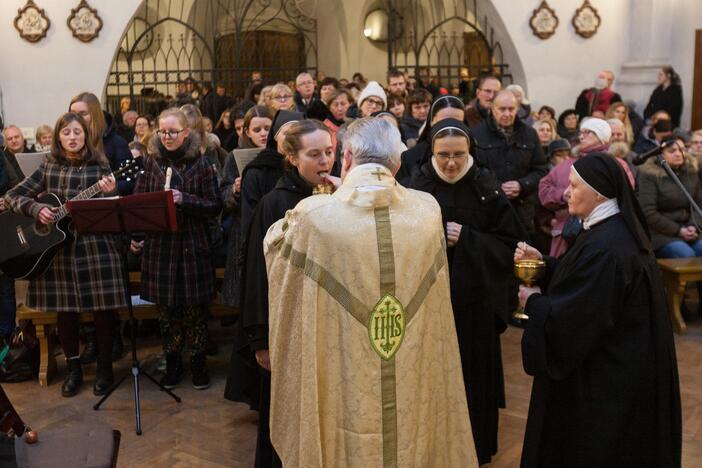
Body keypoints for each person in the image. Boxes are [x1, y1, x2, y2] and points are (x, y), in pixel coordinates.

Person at [264, 117, 478, 467]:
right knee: (407, 424)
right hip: (410, 355)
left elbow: (274, 242)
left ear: (346, 157)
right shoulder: (427, 211)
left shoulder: (314, 217)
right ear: (396, 162)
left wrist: (331, 199)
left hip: (342, 364)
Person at [515, 152, 681, 468]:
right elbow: (580, 279)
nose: (566, 192)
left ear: (598, 193)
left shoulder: (608, 247)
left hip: (605, 386)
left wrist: (533, 302)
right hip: (616, 370)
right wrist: (545, 265)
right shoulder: (607, 231)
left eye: (574, 187)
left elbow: (575, 321)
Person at [410, 118, 527, 464]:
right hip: (426, 304)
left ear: (470, 152)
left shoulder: (487, 187)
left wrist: (469, 239)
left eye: (458, 155)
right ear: (431, 151)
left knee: (472, 382)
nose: (451, 163)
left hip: (474, 307)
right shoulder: (416, 187)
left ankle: (474, 448)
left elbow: (512, 245)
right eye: (443, 154)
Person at [4, 112, 126, 397]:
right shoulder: (49, 166)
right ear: (59, 137)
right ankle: (74, 369)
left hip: (96, 248)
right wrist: (36, 209)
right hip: (57, 251)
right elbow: (13, 196)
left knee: (103, 312)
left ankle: (105, 367)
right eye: (66, 133)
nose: (72, 138)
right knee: (66, 313)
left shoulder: (100, 166)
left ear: (87, 136)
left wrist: (112, 190)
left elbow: (113, 208)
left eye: (77, 133)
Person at [239, 120, 333, 468]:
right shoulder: (274, 203)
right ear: (292, 158)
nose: (325, 161)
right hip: (286, 327)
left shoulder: (339, 196)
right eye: (314, 154)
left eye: (329, 152)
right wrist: (260, 339)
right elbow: (257, 275)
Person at [135, 108, 222, 390]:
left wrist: (184, 198)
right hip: (161, 247)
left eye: (173, 132)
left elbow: (214, 205)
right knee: (167, 312)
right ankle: (172, 364)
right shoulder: (152, 163)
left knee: (194, 313)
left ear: (186, 133)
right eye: (163, 132)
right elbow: (139, 200)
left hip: (191, 246)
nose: (168, 137)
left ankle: (198, 365)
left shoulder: (203, 163)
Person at [472, 90, 548, 234]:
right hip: (489, 212)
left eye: (511, 109)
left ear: (517, 109)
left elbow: (541, 170)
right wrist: (496, 187)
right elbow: (473, 171)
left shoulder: (529, 134)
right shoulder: (476, 134)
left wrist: (522, 185)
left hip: (522, 213)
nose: (507, 114)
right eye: (502, 109)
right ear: (492, 108)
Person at [638, 136, 702, 259]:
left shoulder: (691, 171)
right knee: (686, 255)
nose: (678, 154)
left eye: (682, 150)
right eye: (672, 151)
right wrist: (679, 231)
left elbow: (699, 204)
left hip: (690, 230)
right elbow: (648, 212)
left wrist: (693, 226)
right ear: (660, 154)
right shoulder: (649, 174)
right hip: (660, 234)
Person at [69, 92, 133, 195]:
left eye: (83, 113)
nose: (76, 118)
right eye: (73, 114)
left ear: (95, 115)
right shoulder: (67, 143)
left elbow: (130, 182)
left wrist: (114, 188)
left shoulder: (116, 143)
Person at [396, 95, 465, 186]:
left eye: (457, 122)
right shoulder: (409, 158)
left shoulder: (478, 157)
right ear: (431, 121)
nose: (449, 127)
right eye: (442, 122)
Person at [322, 88, 353, 154]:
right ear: (329, 108)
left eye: (343, 104)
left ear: (350, 104)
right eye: (335, 105)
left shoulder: (357, 125)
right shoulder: (323, 129)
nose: (339, 108)